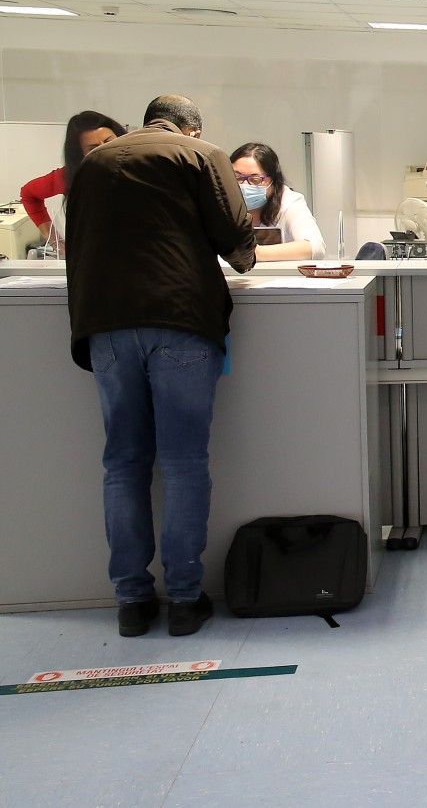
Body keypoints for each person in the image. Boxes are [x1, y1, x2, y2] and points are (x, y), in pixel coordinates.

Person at [64, 95, 257, 636]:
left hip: (105, 326)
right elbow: (237, 239)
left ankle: (131, 600)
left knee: (122, 463)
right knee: (182, 463)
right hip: (179, 320)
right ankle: (186, 599)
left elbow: (74, 251)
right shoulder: (199, 155)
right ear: (191, 128)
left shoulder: (95, 163)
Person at [18, 111, 126, 253]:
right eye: (94, 148)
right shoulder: (71, 176)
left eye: (109, 141)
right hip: (96, 257)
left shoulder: (144, 167)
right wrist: (55, 242)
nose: (107, 150)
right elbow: (29, 194)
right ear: (80, 154)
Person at [229, 142, 327, 261]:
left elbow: (316, 248)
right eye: (237, 177)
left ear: (273, 181)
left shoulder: (289, 202)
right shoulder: (219, 200)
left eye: (255, 179)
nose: (244, 185)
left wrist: (256, 253)